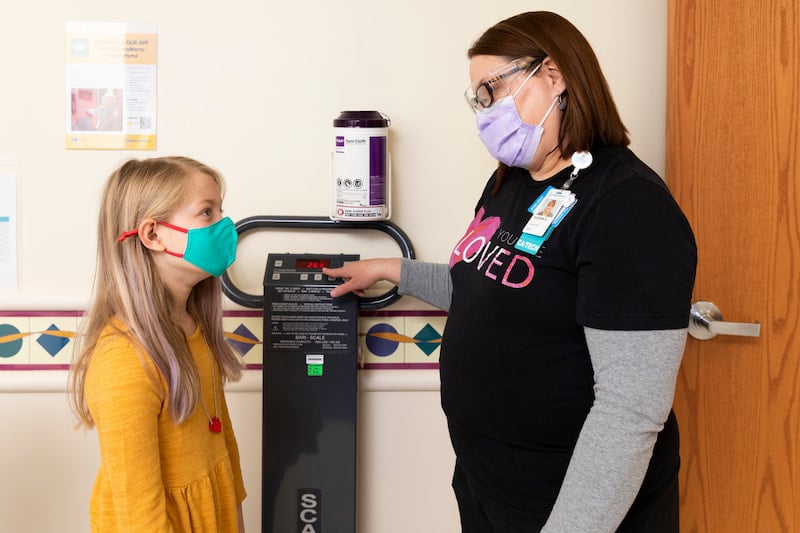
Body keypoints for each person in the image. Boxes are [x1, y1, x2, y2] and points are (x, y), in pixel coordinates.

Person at [323, 11, 696, 533]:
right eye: (476, 98)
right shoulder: (514, 182)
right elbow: (491, 286)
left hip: (570, 503)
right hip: (490, 483)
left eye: (490, 90)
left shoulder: (627, 205)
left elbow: (630, 411)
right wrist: (395, 269)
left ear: (554, 75)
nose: (483, 112)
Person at [69, 156, 247, 532]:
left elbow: (224, 451)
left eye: (221, 211)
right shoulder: (123, 360)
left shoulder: (192, 326)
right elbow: (139, 516)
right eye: (207, 213)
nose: (225, 226)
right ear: (153, 235)